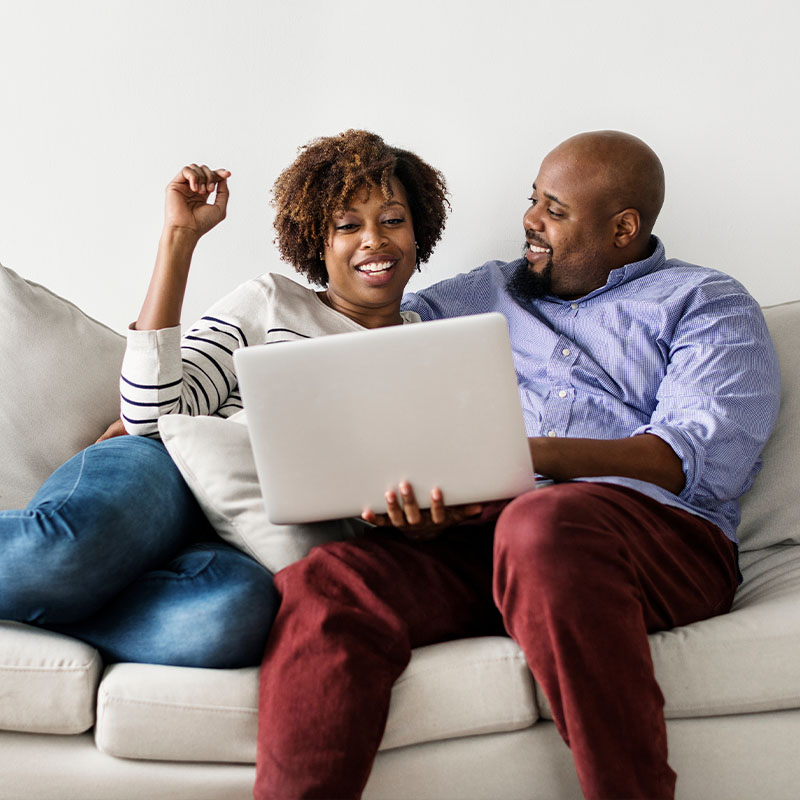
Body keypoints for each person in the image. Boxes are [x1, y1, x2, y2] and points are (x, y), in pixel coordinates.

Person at [254, 131, 781, 799]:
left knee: (544, 523)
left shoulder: (706, 302)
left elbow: (686, 460)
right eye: (533, 200)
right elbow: (349, 345)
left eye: (555, 211)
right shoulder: (476, 295)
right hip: (488, 536)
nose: (531, 221)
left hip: (656, 541)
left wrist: (516, 459)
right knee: (331, 580)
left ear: (624, 228)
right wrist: (184, 402)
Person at [0, 130, 449, 668]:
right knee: (57, 554)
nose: (373, 239)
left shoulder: (430, 352)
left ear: (418, 230)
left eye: (393, 220)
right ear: (316, 241)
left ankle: (68, 603)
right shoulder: (273, 301)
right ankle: (61, 584)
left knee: (227, 623)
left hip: (249, 540)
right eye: (348, 225)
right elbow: (149, 417)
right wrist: (179, 239)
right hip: (165, 472)